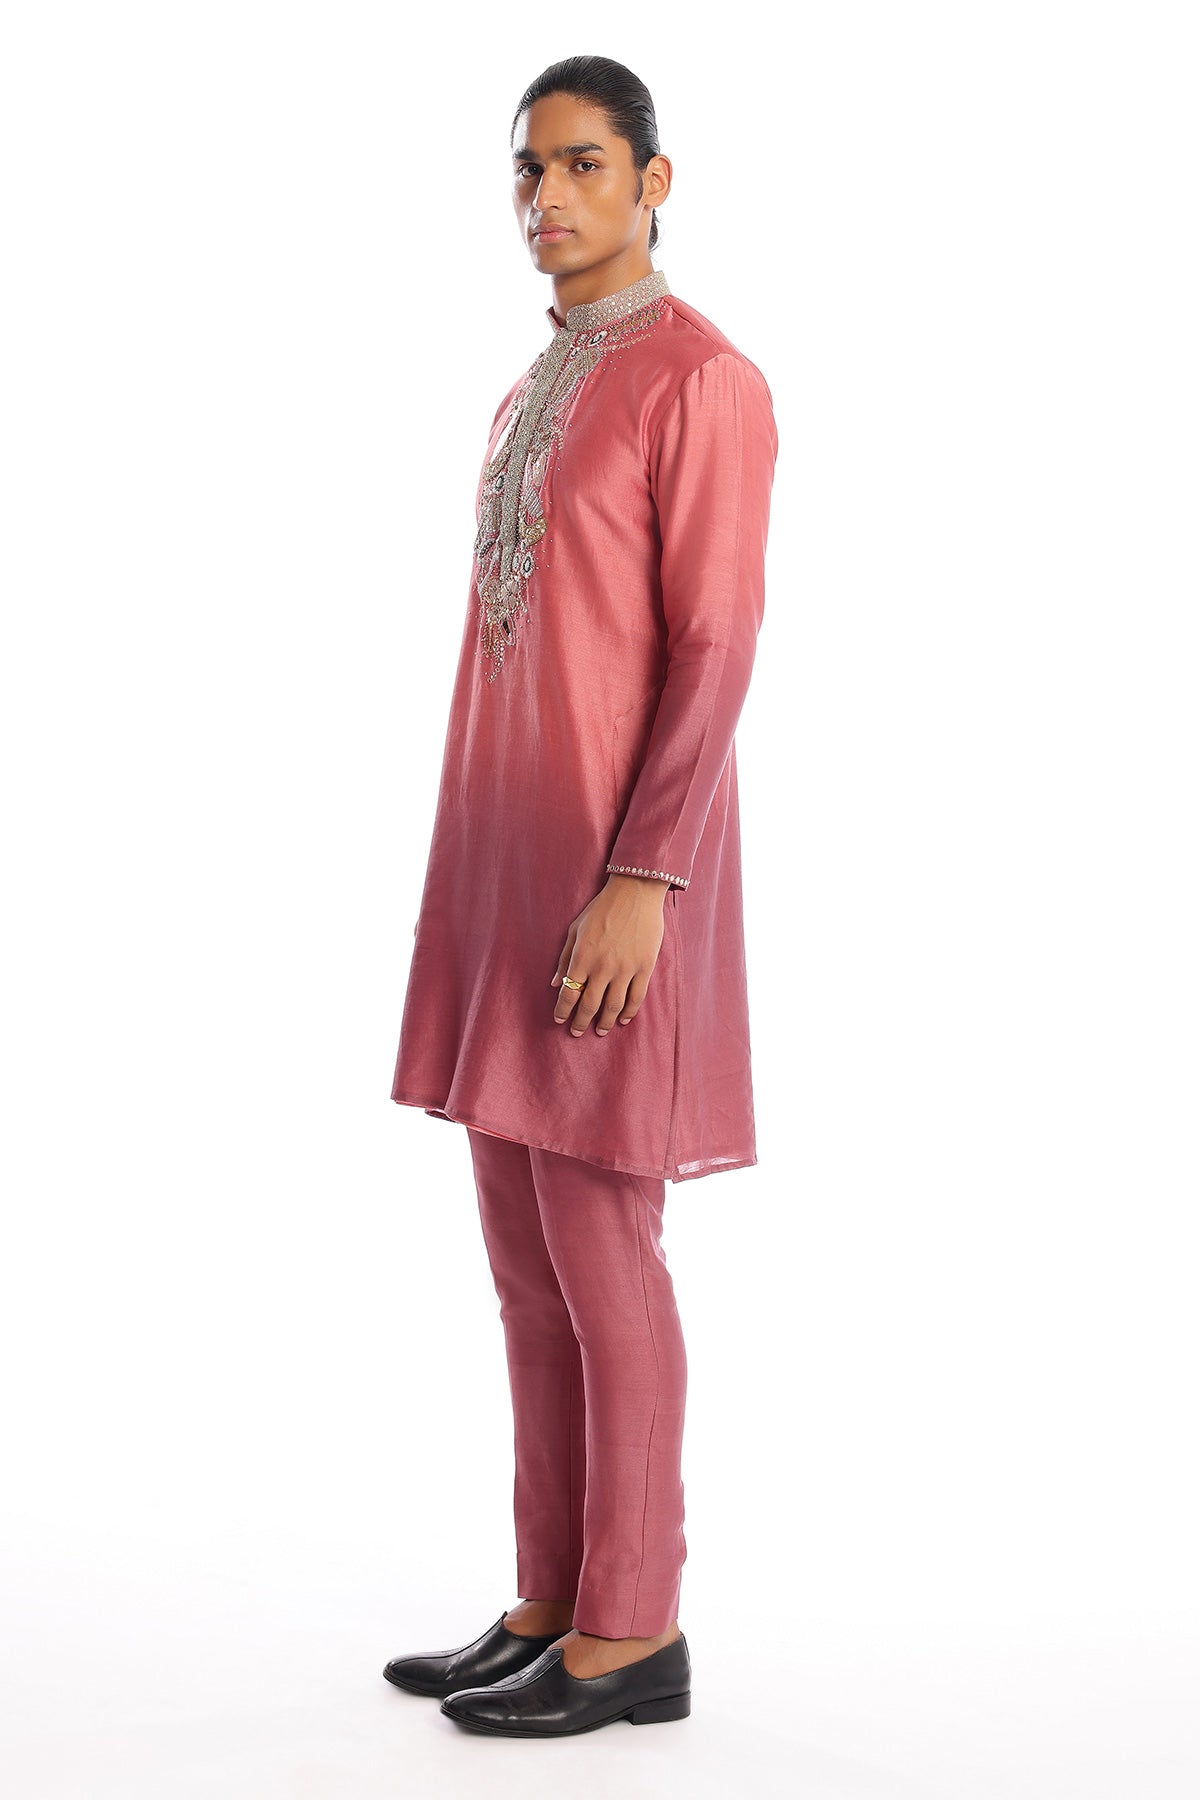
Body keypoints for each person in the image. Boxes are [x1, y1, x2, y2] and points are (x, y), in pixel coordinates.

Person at [383, 54, 778, 1737]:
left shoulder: (707, 382)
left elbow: (717, 645)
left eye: (583, 166)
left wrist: (645, 875)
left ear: (653, 183)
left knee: (605, 1247)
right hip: (502, 872)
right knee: (523, 1261)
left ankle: (635, 1628)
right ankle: (551, 1597)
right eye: (528, 169)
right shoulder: (527, 391)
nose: (546, 198)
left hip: (617, 888)